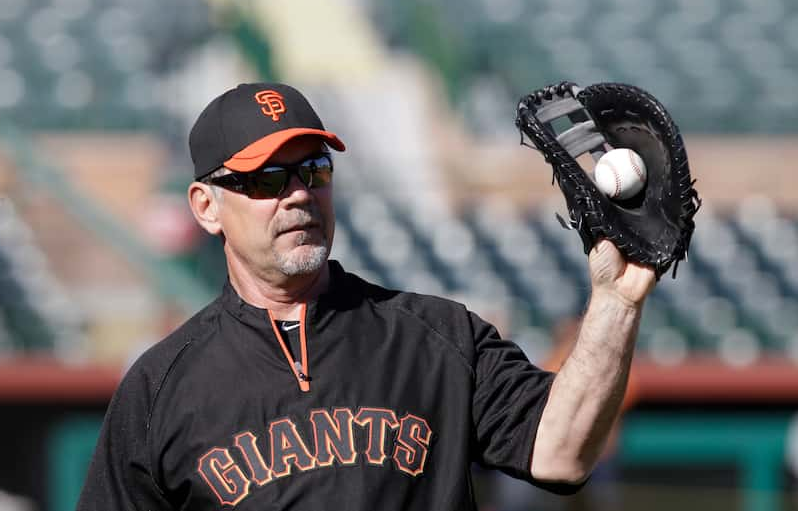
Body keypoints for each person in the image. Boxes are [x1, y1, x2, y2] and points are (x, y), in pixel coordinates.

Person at [76, 83, 656, 510]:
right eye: (269, 179)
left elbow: (564, 450)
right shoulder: (160, 388)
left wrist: (617, 301)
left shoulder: (441, 338)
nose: (299, 195)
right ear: (206, 206)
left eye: (314, 171)